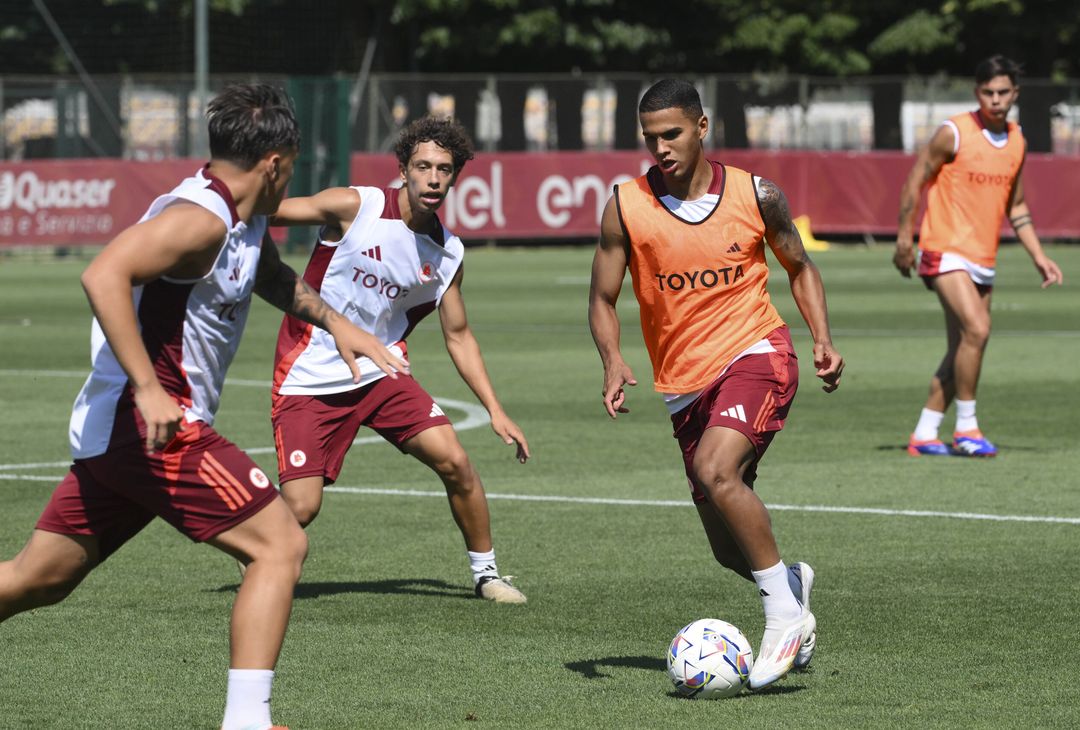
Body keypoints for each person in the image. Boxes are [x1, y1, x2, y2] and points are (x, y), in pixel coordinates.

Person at [0, 83, 407, 730]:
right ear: (275, 162)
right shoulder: (202, 219)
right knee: (279, 547)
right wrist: (148, 387)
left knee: (36, 580)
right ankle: (247, 722)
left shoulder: (241, 221)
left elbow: (269, 276)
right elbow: (103, 273)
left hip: (126, 438)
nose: (290, 179)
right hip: (158, 429)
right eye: (293, 166)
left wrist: (340, 325)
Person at [588, 79, 844, 691]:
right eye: (650, 138)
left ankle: (783, 617)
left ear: (702, 127)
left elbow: (799, 267)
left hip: (758, 352)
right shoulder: (626, 204)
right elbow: (601, 297)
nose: (661, 147)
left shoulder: (757, 194)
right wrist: (612, 357)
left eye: (672, 133)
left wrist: (821, 338)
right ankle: (792, 582)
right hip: (684, 387)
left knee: (716, 469)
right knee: (728, 549)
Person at [268, 116, 530, 603]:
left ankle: (487, 574)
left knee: (455, 462)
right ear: (404, 169)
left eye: (444, 169)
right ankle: (257, 548)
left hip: (382, 373)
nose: (433, 178)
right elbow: (271, 212)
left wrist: (495, 409)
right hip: (310, 375)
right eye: (423, 166)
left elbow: (459, 335)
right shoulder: (355, 205)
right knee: (302, 509)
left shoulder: (448, 252)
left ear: (456, 176)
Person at [894, 55, 1064, 457]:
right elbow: (915, 180)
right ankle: (967, 429)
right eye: (988, 92)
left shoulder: (1017, 140)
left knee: (965, 346)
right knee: (978, 330)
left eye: (1003, 92)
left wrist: (1038, 256)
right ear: (977, 93)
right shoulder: (954, 132)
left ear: (1015, 94)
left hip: (983, 257)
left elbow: (1017, 206)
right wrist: (905, 237)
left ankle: (925, 432)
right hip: (944, 248)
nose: (995, 99)